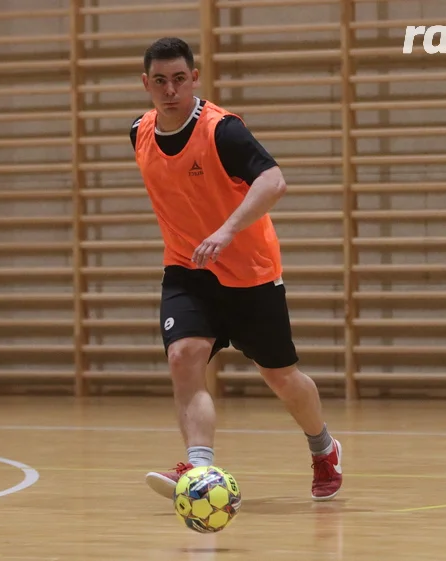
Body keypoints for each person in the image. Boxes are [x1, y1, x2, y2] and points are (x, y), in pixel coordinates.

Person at [129, 37, 343, 502]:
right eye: (160, 81)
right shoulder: (140, 132)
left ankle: (323, 447)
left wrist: (226, 231)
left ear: (195, 79)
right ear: (146, 83)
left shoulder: (223, 131)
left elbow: (273, 180)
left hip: (250, 274)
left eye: (180, 79)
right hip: (187, 270)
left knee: (281, 378)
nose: (170, 90)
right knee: (183, 356)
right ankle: (199, 469)